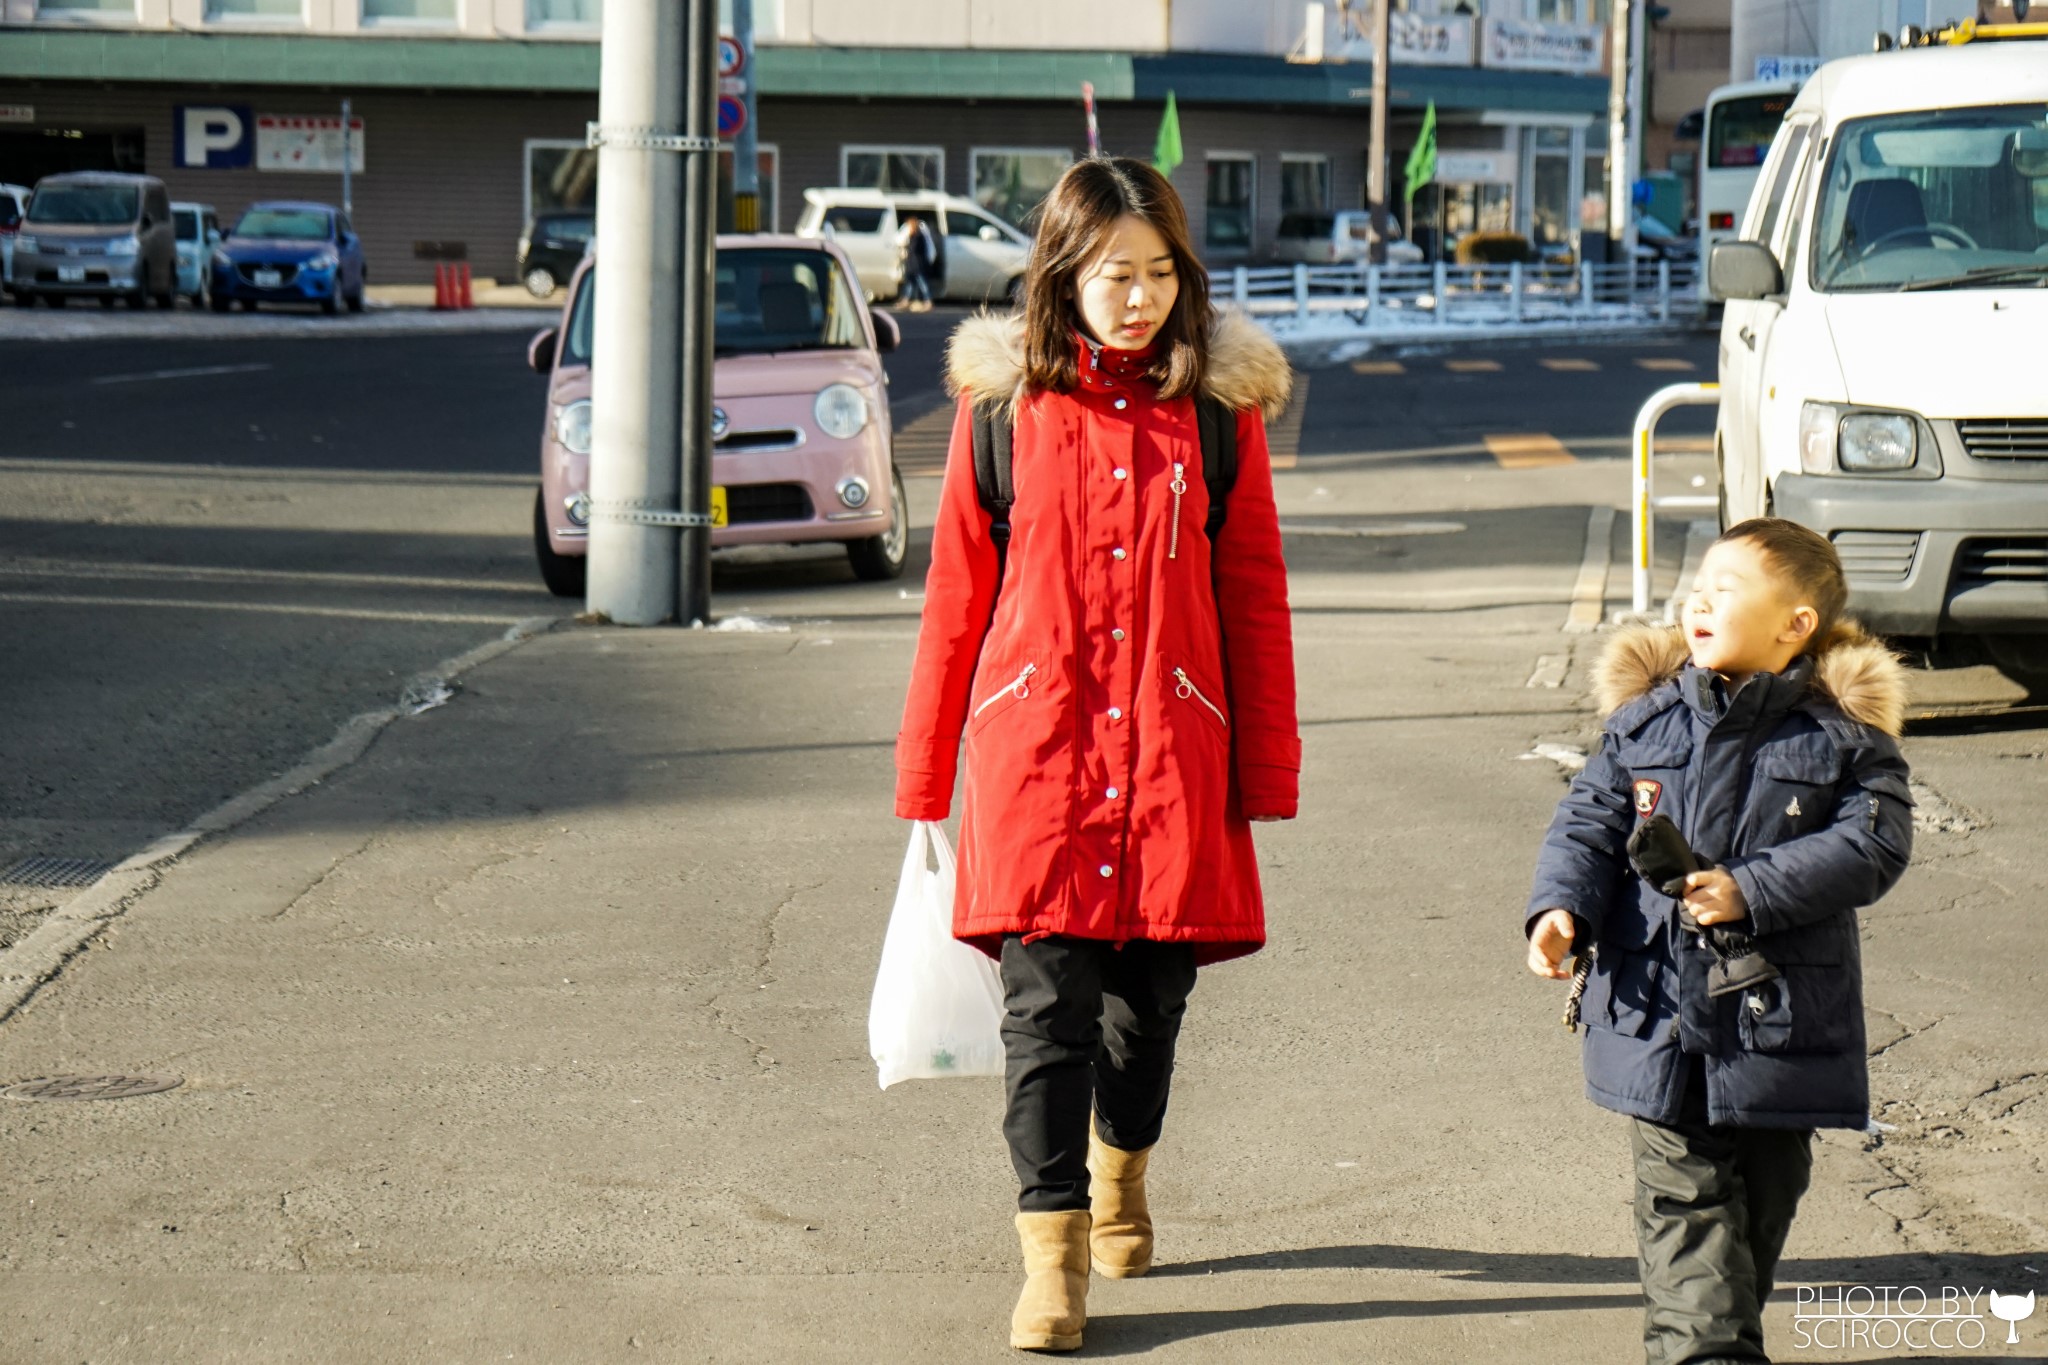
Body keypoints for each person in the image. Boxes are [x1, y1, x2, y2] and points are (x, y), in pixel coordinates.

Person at [894, 156, 1298, 1354]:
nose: (1138, 298)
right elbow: (954, 600)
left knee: (1144, 1010)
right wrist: (923, 776)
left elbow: (1253, 597)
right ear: (1060, 275)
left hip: (1173, 751)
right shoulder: (1005, 413)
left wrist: (1262, 767)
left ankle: (1122, 1173)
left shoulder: (1217, 422)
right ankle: (1051, 1251)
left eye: (1160, 273)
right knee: (1044, 1006)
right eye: (1114, 273)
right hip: (1036, 755)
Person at [1525, 518, 1915, 1365]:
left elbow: (1875, 843)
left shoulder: (1843, 735)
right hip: (1654, 1010)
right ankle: (1708, 1353)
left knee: (1763, 1200)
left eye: (1726, 590)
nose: (1698, 601)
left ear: (1795, 624)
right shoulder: (1647, 721)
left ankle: (1718, 1334)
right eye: (1696, 586)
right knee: (1684, 1204)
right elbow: (1588, 823)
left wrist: (1753, 886)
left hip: (1780, 1017)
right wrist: (1561, 909)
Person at [897, 213, 936, 312]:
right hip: (914, 263)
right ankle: (906, 300)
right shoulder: (917, 235)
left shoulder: (917, 236)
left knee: (921, 283)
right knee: (910, 284)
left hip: (916, 264)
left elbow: (914, 249)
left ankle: (928, 301)